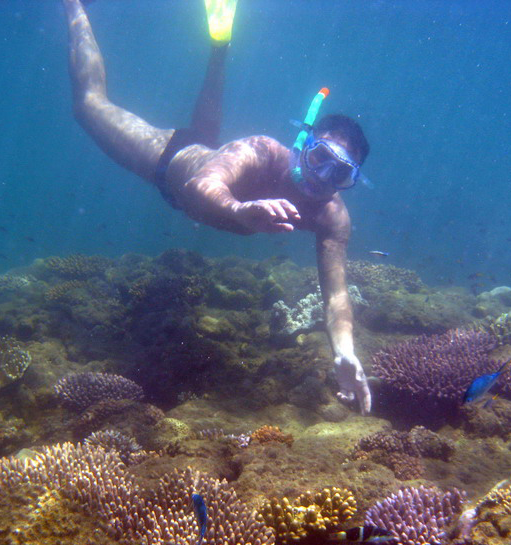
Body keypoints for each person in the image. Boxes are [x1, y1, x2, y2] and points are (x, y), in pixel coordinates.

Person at [62, 0, 373, 413]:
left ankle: (219, 45)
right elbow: (200, 185)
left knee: (206, 136)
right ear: (303, 144)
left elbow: (336, 296)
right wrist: (239, 211)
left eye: (339, 173)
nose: (322, 178)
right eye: (319, 159)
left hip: (209, 151)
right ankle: (74, 9)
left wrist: (345, 351)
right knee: (88, 105)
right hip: (168, 159)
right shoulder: (262, 151)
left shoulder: (332, 215)